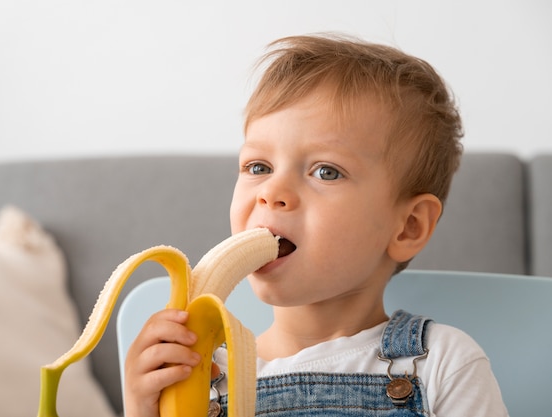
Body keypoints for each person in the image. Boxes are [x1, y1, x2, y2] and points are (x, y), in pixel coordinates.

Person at [124, 33, 508, 416]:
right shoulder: (203, 379)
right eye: (259, 167)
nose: (272, 191)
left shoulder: (440, 364)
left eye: (325, 171)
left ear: (407, 226)